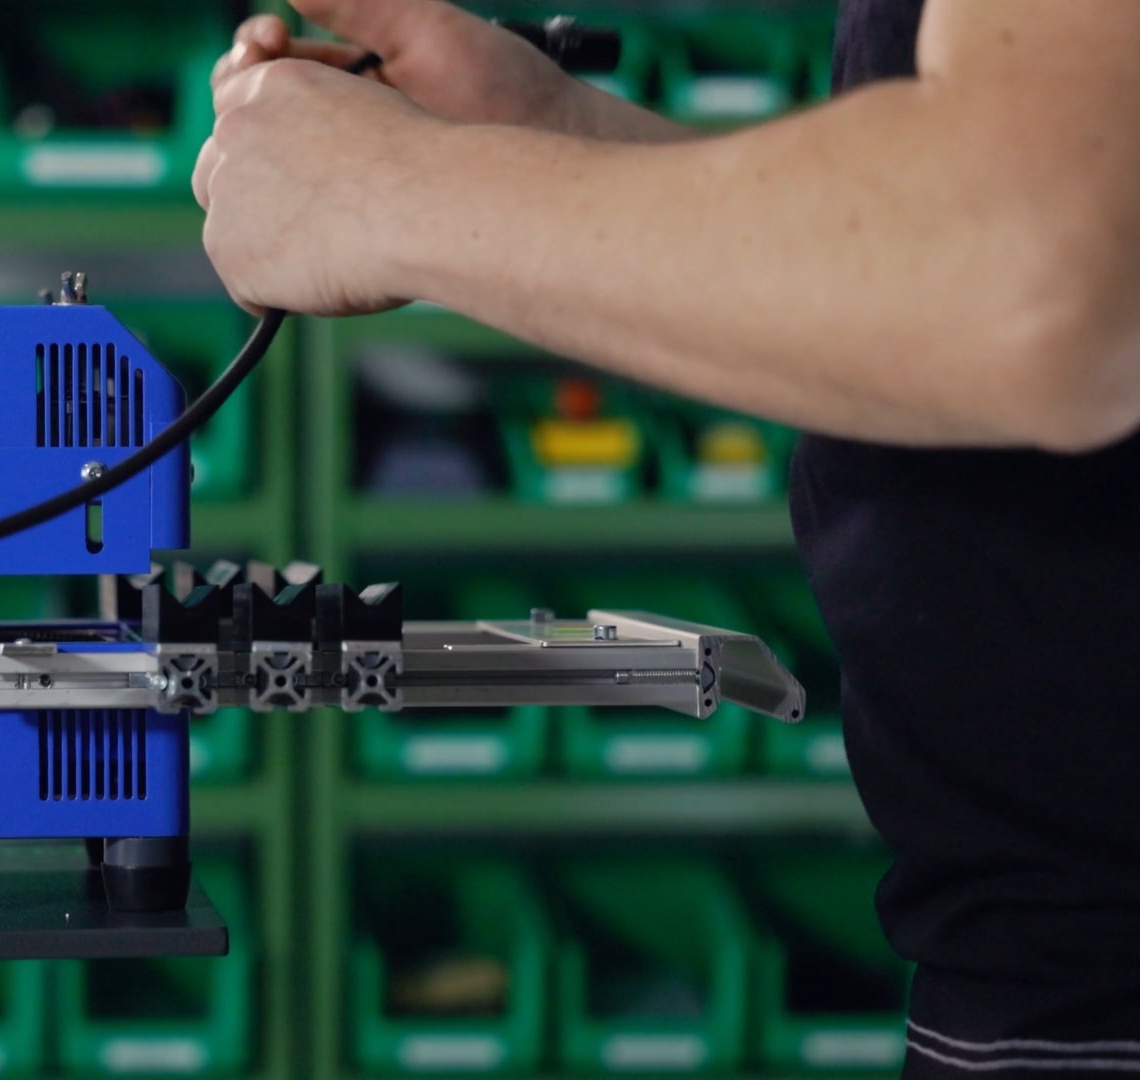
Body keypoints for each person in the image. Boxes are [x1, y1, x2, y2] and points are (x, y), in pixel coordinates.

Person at [197, 0, 1140, 1071]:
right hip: (1037, 964)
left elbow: (1037, 270)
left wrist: (391, 191)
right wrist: (549, 131)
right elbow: (963, 234)